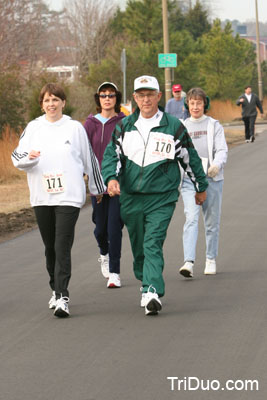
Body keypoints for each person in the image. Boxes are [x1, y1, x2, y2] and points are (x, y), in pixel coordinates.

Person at [101, 75, 208, 316]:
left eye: (150, 94)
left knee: (152, 242)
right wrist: (111, 178)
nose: (146, 99)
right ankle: (145, 283)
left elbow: (189, 158)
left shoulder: (173, 126)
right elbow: (111, 156)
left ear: (159, 97)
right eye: (141, 95)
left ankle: (152, 290)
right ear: (135, 99)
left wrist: (200, 187)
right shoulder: (124, 126)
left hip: (162, 196)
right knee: (139, 245)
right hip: (131, 197)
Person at [11, 83, 105, 318]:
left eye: (55, 100)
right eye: (46, 100)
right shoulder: (34, 127)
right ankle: (55, 288)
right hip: (42, 196)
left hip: (69, 196)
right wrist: (29, 158)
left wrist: (97, 187)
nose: (51, 104)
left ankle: (62, 295)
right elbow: (17, 156)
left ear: (63, 102)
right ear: (41, 105)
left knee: (62, 244)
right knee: (50, 246)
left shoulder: (74, 128)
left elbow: (89, 159)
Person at [179, 87, 228, 279]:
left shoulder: (214, 125)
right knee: (191, 218)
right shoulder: (181, 126)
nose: (195, 106)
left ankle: (210, 258)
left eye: (199, 103)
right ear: (187, 105)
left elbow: (222, 149)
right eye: (192, 103)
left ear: (204, 104)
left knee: (211, 221)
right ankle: (188, 261)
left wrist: (216, 165)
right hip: (189, 180)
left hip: (211, 178)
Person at [84, 82, 125, 288]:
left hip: (118, 183)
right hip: (97, 185)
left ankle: (115, 273)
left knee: (114, 226)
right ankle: (104, 253)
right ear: (98, 99)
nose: (107, 98)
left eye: (110, 95)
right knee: (100, 229)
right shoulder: (90, 123)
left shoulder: (124, 122)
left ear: (116, 98)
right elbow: (83, 151)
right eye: (103, 95)